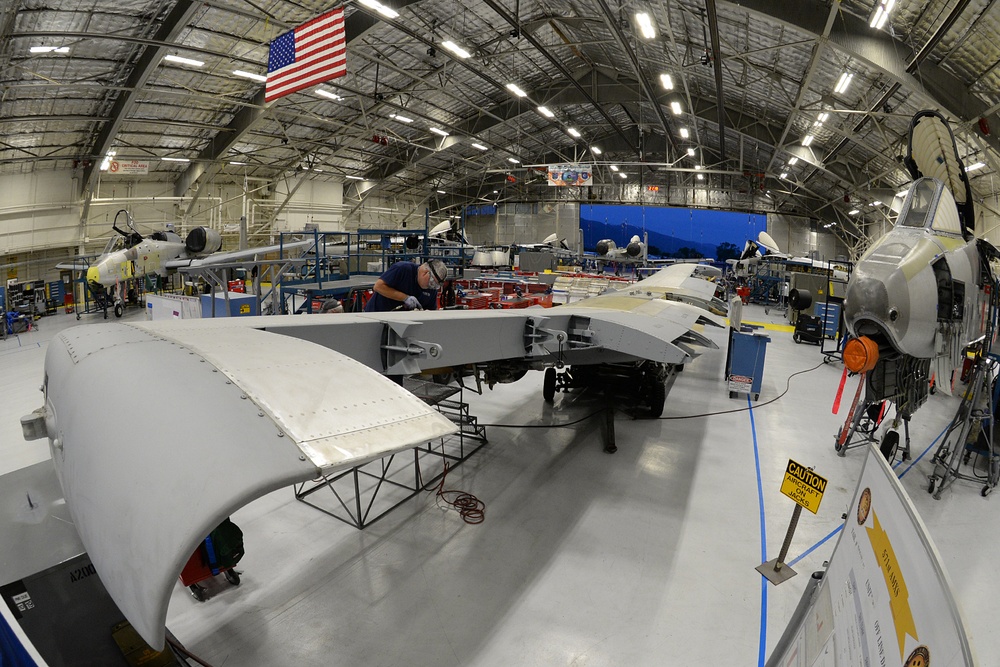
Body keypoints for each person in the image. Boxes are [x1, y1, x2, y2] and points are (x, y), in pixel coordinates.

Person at [364, 259, 447, 312]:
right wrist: (404, 298)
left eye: (435, 286)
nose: (431, 287)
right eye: (432, 282)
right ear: (425, 272)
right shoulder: (403, 269)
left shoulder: (432, 290)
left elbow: (431, 310)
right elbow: (378, 286)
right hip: (377, 315)